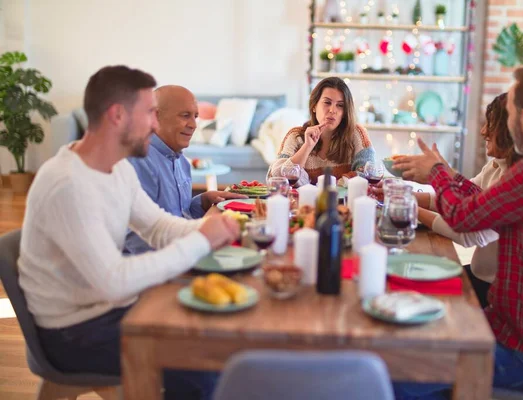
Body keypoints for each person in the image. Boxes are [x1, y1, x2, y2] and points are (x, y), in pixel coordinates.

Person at [18, 66, 240, 400]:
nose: (155, 123)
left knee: (205, 333)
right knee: (196, 359)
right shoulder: (69, 184)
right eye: (150, 113)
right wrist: (201, 240)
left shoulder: (116, 167)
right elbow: (115, 280)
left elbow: (158, 226)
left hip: (105, 307)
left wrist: (209, 227)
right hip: (74, 330)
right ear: (117, 116)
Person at [393, 64, 523, 398]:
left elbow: (463, 218)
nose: (504, 121)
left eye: (508, 112)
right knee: (415, 329)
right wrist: (443, 173)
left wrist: (437, 173)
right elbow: (489, 205)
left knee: (392, 370)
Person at [415, 93, 522, 308]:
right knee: (416, 279)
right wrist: (416, 198)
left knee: (419, 291)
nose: (483, 131)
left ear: (510, 130)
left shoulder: (516, 179)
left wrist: (411, 210)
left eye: (491, 125)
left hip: (492, 292)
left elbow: (469, 233)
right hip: (479, 275)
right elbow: (467, 198)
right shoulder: (496, 165)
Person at [124, 85, 246, 254]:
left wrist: (202, 202)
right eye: (185, 116)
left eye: (195, 117)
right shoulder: (138, 160)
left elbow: (180, 215)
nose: (194, 125)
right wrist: (199, 244)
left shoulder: (182, 161)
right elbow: (136, 237)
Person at [268, 77, 375, 185]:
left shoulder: (356, 133)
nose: (332, 110)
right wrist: (307, 147)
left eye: (340, 105)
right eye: (327, 102)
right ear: (314, 106)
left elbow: (369, 173)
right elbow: (275, 177)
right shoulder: (295, 136)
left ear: (344, 112)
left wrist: (338, 185)